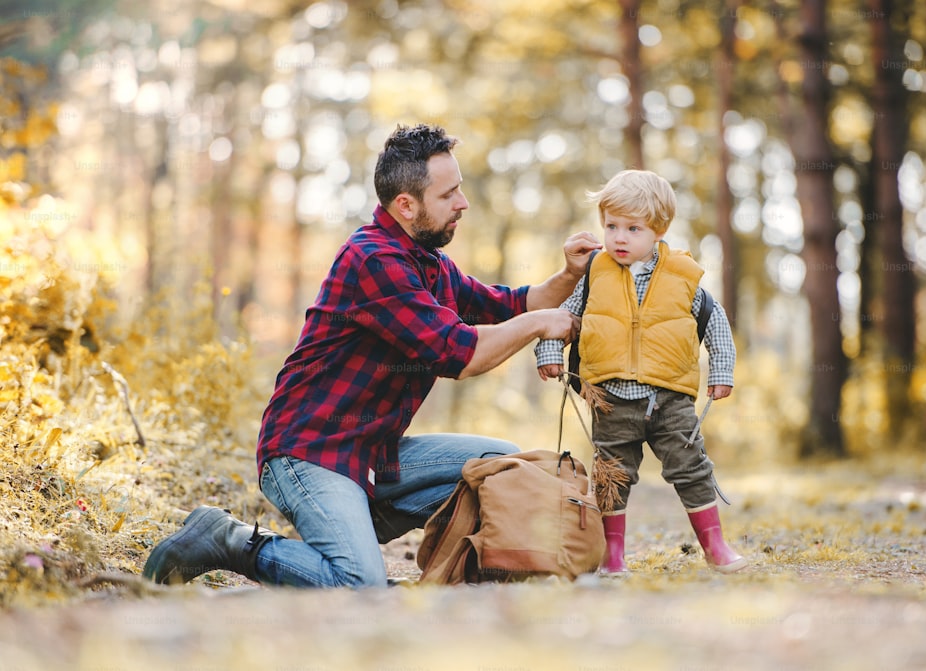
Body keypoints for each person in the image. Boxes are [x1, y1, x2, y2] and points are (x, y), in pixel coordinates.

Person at [142, 123, 602, 588]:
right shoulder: (374, 260)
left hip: (372, 454)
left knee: (500, 464)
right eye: (449, 195)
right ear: (406, 204)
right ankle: (229, 539)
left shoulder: (431, 264)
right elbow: (461, 354)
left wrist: (568, 273)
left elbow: (514, 303)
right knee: (358, 586)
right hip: (308, 452)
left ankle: (445, 564)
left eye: (459, 189)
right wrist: (541, 325)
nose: (462, 203)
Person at [535, 169, 747, 574]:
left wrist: (722, 369)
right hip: (610, 398)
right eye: (611, 226)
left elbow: (714, 320)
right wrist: (549, 350)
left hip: (669, 397)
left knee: (691, 466)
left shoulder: (683, 276)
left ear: (658, 230)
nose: (618, 237)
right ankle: (612, 557)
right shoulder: (595, 272)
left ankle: (715, 545)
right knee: (612, 474)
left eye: (632, 228)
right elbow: (563, 316)